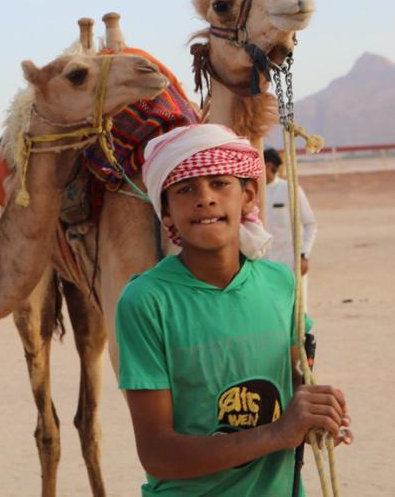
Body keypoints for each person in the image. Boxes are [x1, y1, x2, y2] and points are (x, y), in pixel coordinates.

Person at [115, 124, 351, 496]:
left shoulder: (281, 283)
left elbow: (294, 380)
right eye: (185, 189)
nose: (205, 199)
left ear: (248, 196)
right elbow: (157, 454)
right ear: (167, 212)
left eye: (220, 183)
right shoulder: (146, 301)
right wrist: (278, 432)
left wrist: (317, 416)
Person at [263, 147, 317, 311]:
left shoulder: (290, 189)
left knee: (296, 309)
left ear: (268, 166)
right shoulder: (253, 193)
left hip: (290, 262)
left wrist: (304, 255)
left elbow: (310, 224)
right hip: (263, 265)